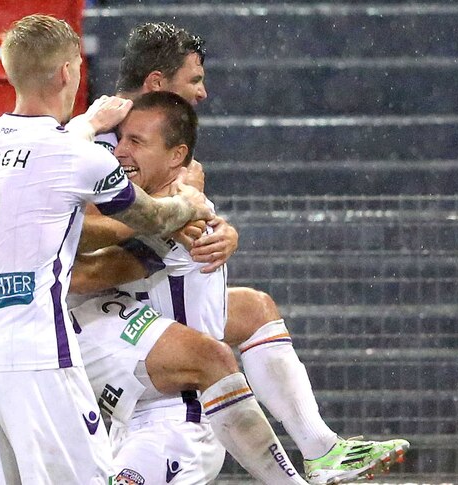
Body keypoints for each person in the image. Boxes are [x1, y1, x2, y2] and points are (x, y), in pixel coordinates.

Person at [72, 22, 409, 485]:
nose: (204, 92)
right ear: (156, 83)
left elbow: (188, 213)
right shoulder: (94, 144)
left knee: (252, 308)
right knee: (210, 359)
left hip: (135, 317)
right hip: (88, 321)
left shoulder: (171, 156)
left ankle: (321, 449)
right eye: (194, 80)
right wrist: (163, 226)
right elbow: (77, 240)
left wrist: (218, 230)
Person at [0, 14, 214, 485]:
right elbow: (151, 218)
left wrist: (88, 123)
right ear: (69, 72)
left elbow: (30, 173)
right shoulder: (77, 155)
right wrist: (188, 202)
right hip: (43, 360)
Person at [73, 91, 311, 484]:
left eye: (137, 142)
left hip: (176, 418)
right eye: (121, 139)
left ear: (175, 157)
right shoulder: (177, 207)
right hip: (135, 411)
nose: (120, 152)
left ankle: (312, 454)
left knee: (236, 326)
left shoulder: (185, 222)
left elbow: (86, 274)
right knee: (253, 305)